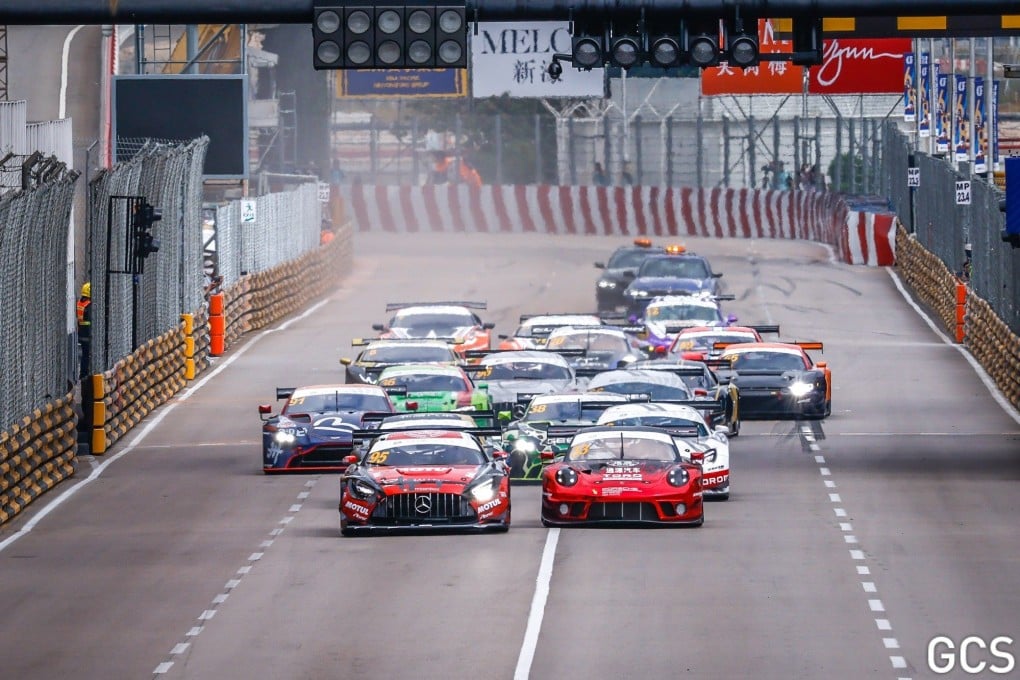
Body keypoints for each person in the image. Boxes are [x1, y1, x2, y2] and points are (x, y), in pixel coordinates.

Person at [76, 282, 92, 379]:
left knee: (85, 354)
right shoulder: (88, 305)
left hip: (81, 332)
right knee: (87, 355)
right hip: (88, 333)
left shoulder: (79, 303)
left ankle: (83, 373)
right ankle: (85, 374)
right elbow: (91, 318)